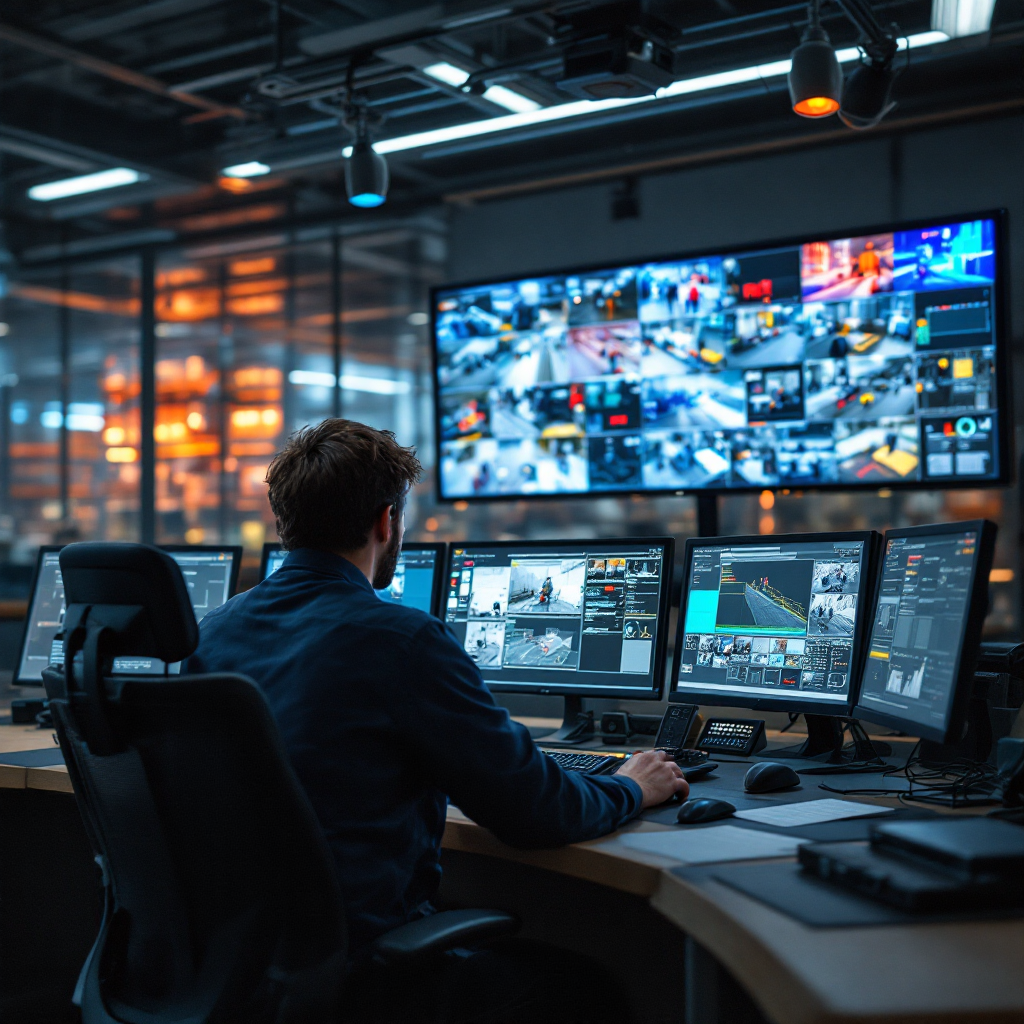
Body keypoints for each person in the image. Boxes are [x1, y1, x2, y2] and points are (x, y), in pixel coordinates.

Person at [186, 419, 687, 1022]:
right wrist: (632, 785)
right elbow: (534, 811)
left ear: (283, 521)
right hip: (351, 968)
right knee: (586, 989)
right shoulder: (401, 639)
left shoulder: (212, 632)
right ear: (384, 523)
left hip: (233, 965)